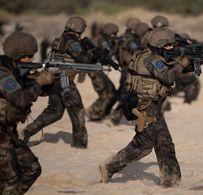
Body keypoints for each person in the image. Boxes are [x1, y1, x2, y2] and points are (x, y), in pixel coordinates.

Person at [99, 28, 191, 187]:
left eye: (172, 45)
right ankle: (109, 167)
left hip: (153, 108)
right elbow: (168, 76)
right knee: (143, 145)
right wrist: (182, 62)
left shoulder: (152, 56)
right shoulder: (150, 60)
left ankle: (171, 180)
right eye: (168, 45)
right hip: (145, 109)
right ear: (159, 45)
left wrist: (191, 62)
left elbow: (170, 69)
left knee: (165, 143)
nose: (171, 48)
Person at [21, 16, 92, 148]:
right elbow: (84, 59)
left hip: (54, 79)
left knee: (55, 111)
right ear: (80, 29)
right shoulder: (71, 41)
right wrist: (93, 53)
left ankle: (27, 132)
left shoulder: (60, 39)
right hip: (64, 80)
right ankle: (80, 145)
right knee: (77, 110)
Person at [0, 31, 56, 194]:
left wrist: (52, 82)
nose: (32, 59)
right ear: (18, 55)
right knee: (12, 181)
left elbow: (34, 91)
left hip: (8, 133)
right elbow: (20, 99)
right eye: (29, 55)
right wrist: (39, 82)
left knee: (32, 168)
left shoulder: (15, 71)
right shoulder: (3, 73)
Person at [85, 23, 118, 121]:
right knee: (105, 95)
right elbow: (106, 57)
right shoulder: (102, 40)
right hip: (95, 70)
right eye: (114, 34)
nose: (114, 36)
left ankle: (102, 113)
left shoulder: (100, 38)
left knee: (112, 92)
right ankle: (91, 112)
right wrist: (116, 46)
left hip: (97, 69)